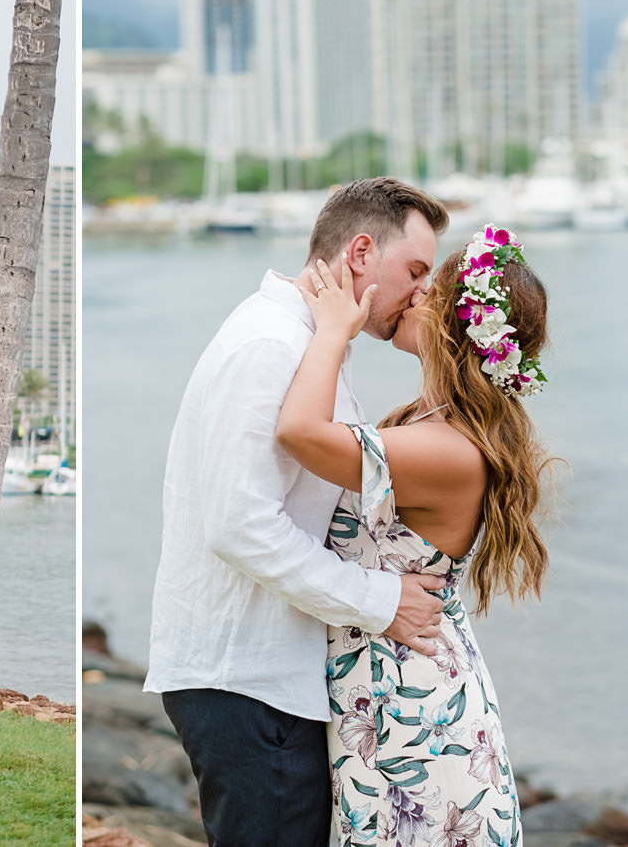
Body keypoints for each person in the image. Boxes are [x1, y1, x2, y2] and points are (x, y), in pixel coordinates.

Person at [144, 177, 452, 846]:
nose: (421, 292)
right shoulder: (271, 344)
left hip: (267, 674)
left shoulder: (308, 342)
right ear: (362, 251)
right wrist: (380, 599)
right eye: (416, 270)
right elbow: (239, 523)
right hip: (246, 677)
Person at [276, 225, 550, 846]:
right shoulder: (423, 423)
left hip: (414, 711)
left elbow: (299, 431)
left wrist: (330, 330)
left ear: (458, 327)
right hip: (388, 685)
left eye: (431, 288)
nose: (414, 292)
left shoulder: (448, 451)